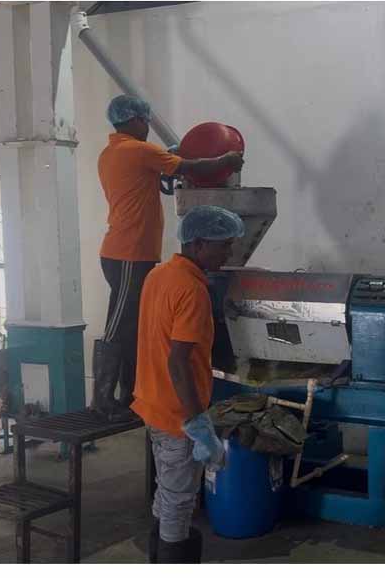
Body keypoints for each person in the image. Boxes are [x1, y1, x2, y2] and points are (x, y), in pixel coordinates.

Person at [91, 94, 245, 420]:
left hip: (131, 251)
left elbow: (163, 168)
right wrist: (228, 160)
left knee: (132, 326)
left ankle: (129, 396)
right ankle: (102, 401)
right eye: (146, 121)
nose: (148, 127)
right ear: (135, 120)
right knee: (118, 326)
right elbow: (193, 167)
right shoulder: (138, 150)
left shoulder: (113, 153)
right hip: (128, 252)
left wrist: (173, 156)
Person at [132, 205, 243, 563]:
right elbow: (178, 363)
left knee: (168, 493)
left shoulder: (158, 275)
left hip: (152, 402)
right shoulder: (192, 290)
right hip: (176, 413)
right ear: (198, 244)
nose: (229, 253)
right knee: (180, 503)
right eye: (224, 245)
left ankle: (159, 555)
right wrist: (198, 424)